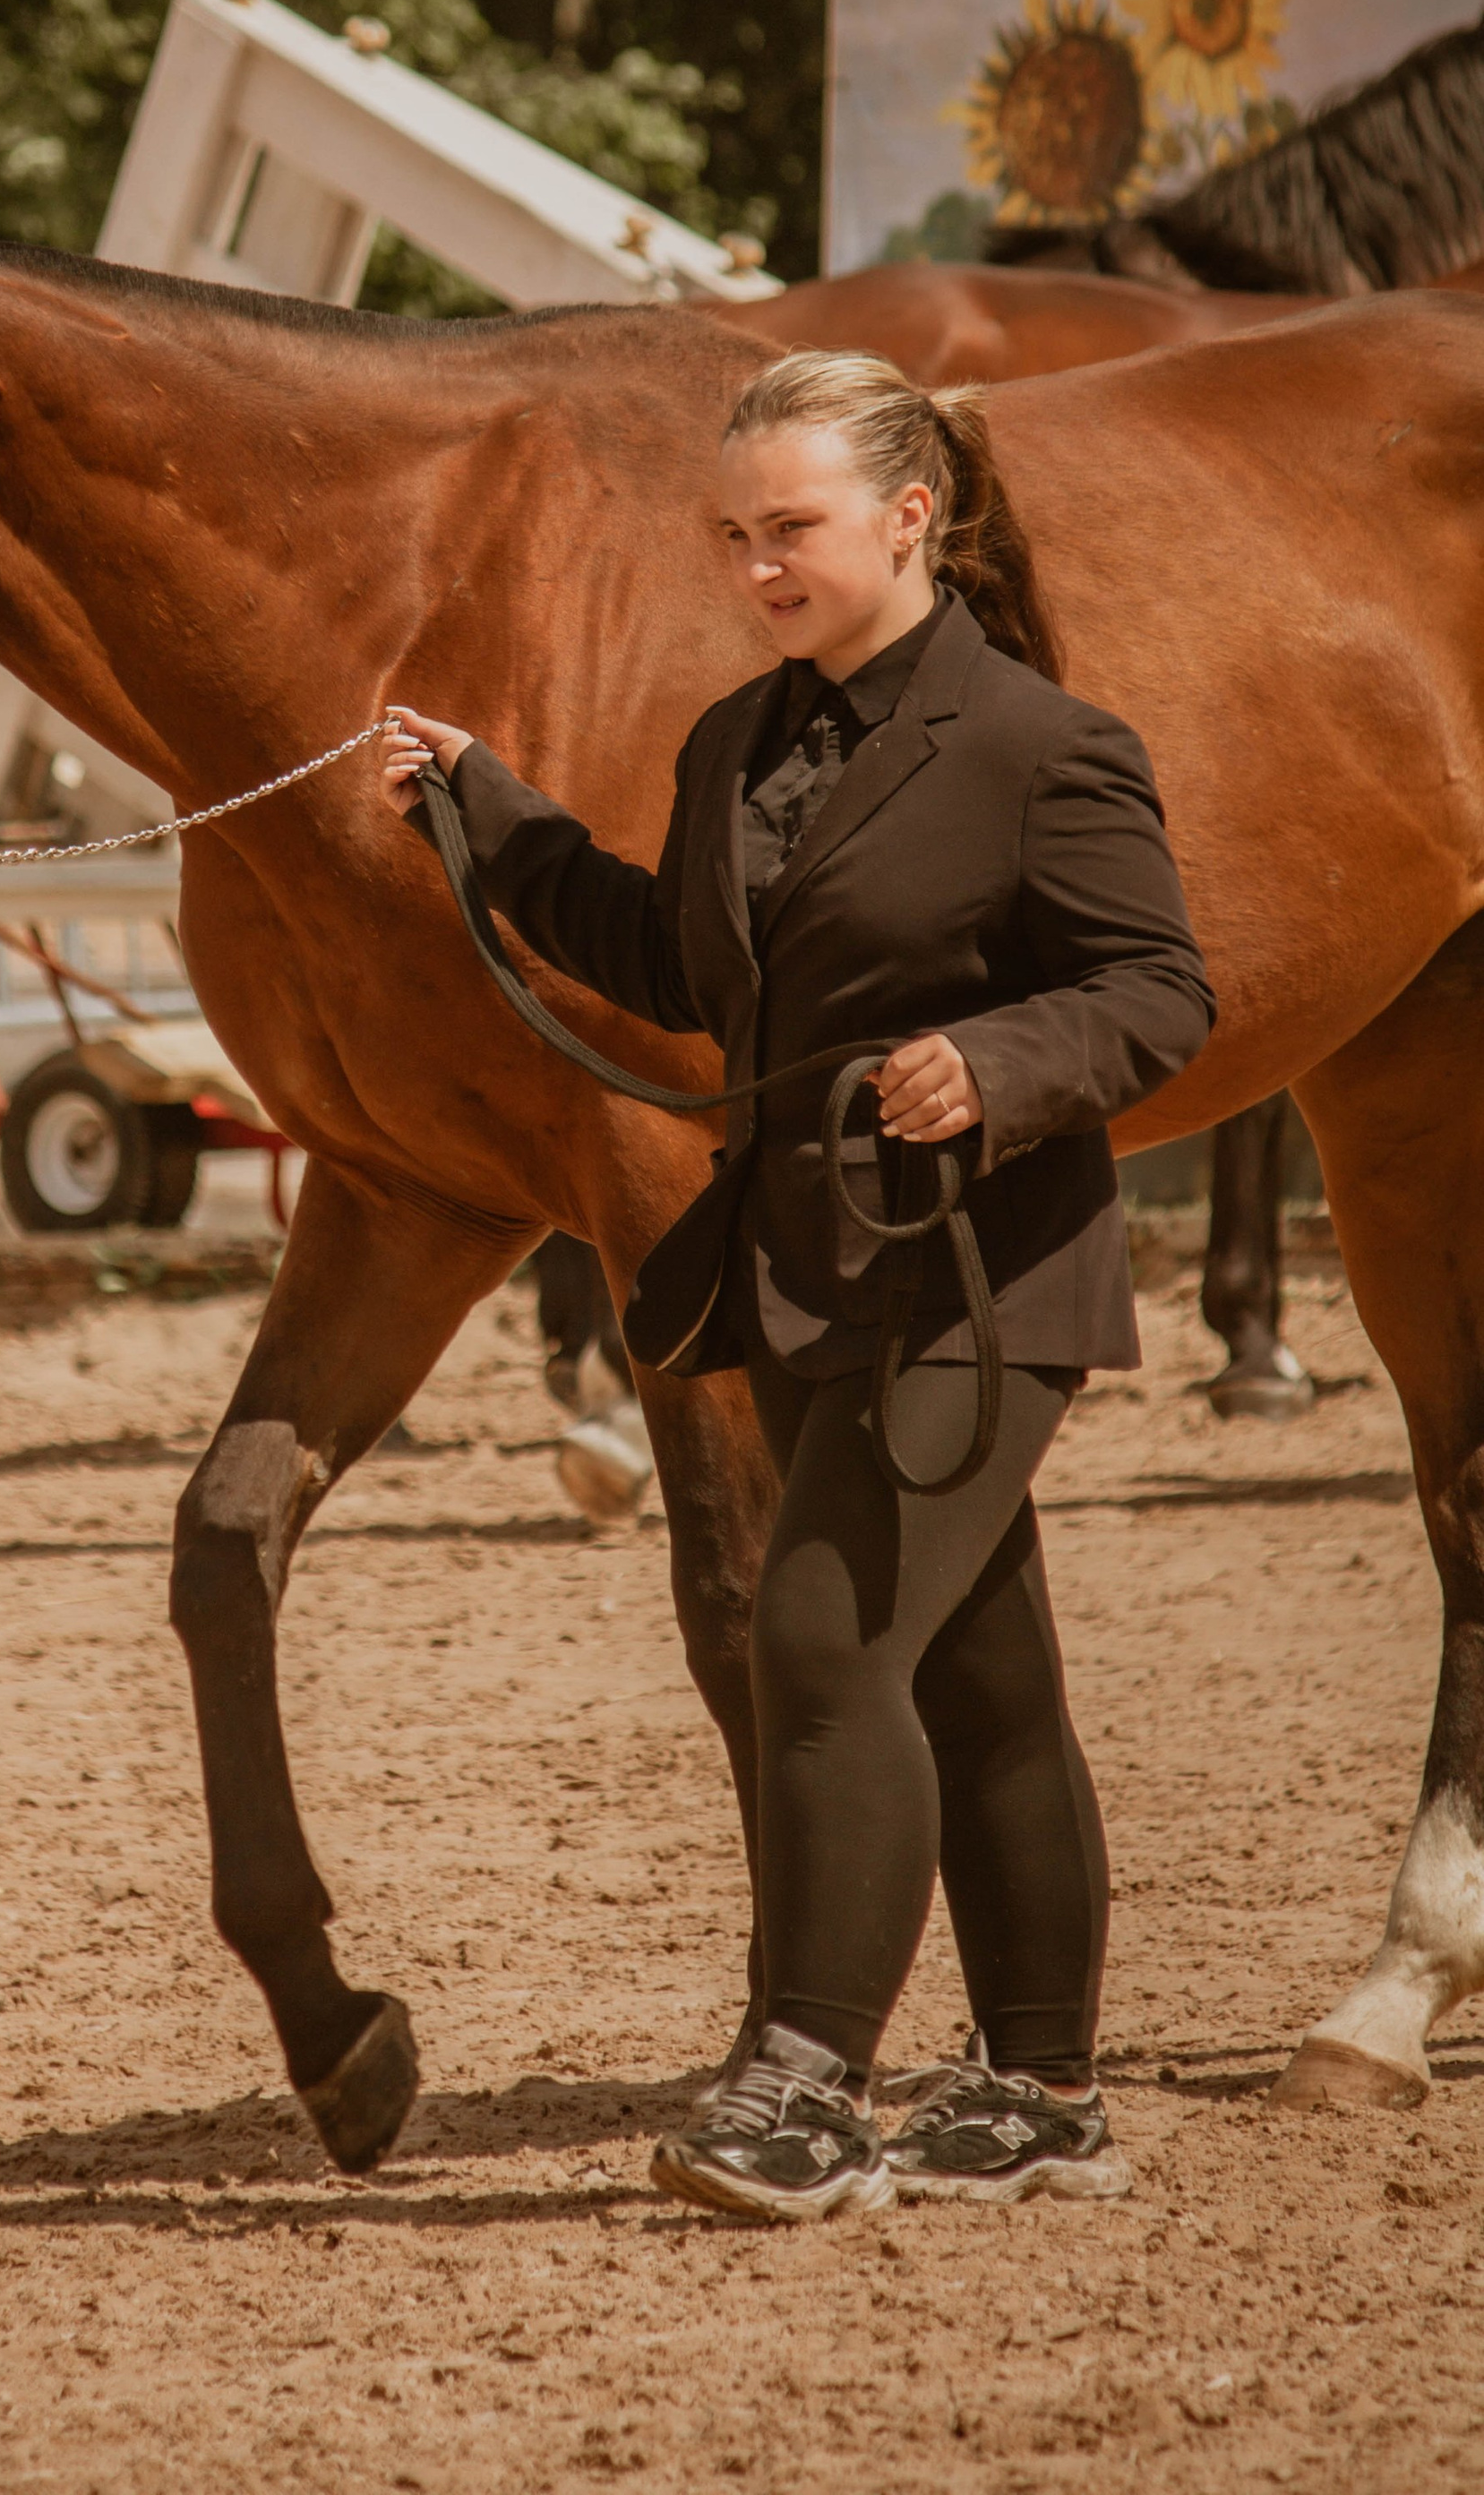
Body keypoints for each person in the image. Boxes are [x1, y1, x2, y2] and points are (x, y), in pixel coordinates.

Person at [380, 349, 1214, 2221]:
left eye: (791, 530)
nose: (754, 564)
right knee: (984, 1676)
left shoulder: (1038, 746)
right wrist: (490, 814)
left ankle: (804, 2087)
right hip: (807, 1271)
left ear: (907, 520)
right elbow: (676, 971)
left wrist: (995, 1072)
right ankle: (1043, 2092)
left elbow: (1159, 990)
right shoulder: (729, 743)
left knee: (818, 1636)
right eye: (734, 534)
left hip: (988, 1285)